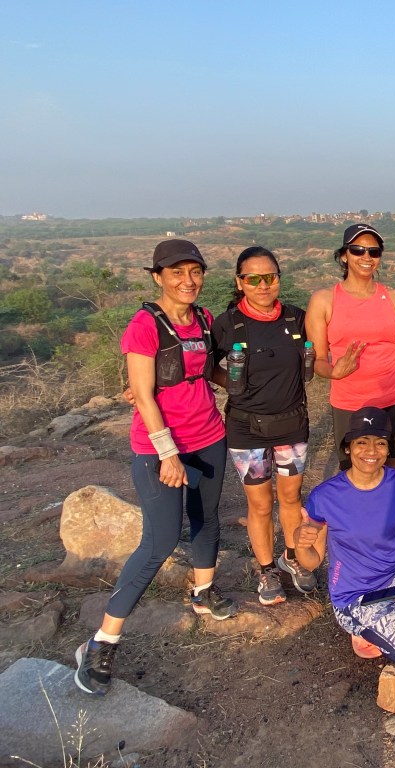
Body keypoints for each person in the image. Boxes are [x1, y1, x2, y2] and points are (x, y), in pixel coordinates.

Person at [75, 240, 235, 696]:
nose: (188, 280)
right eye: (177, 272)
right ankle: (101, 642)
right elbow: (143, 396)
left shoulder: (202, 318)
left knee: (206, 518)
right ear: (157, 276)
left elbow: (207, 373)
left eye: (195, 271)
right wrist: (167, 453)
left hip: (209, 435)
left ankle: (203, 591)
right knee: (159, 541)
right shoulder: (144, 326)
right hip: (159, 448)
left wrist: (253, 387)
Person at [294, 406, 395, 663]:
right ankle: (361, 627)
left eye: (380, 443)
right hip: (357, 593)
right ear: (348, 447)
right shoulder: (325, 496)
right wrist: (301, 544)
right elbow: (311, 561)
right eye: (362, 442)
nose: (371, 451)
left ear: (388, 448)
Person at [211, 246, 314, 606]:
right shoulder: (227, 324)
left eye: (269, 277)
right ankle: (266, 568)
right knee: (259, 504)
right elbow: (204, 364)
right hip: (247, 429)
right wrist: (233, 384)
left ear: (278, 278)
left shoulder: (297, 319)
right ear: (239, 282)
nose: (263, 285)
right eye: (253, 279)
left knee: (291, 497)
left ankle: (291, 556)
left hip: (291, 424)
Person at [305, 223, 395, 472]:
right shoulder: (324, 300)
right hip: (350, 403)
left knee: (394, 473)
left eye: (374, 252)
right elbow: (317, 360)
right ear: (344, 255)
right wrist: (333, 372)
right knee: (354, 475)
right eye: (358, 250)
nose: (366, 257)